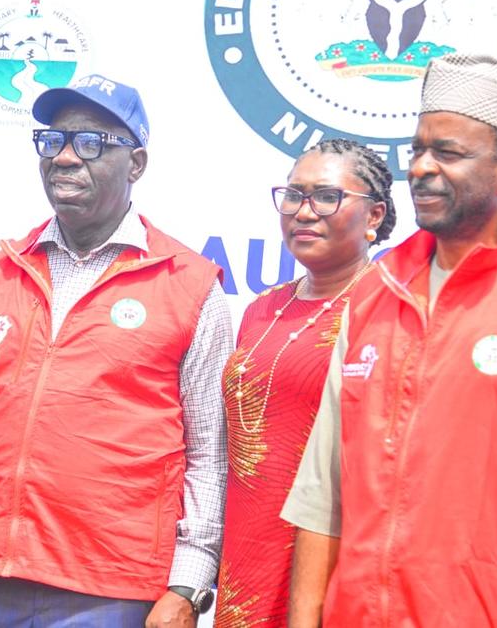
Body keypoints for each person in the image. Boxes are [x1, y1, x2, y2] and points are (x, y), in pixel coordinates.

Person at [281, 53, 497, 626]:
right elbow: (322, 492)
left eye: (449, 153)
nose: (420, 168)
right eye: (416, 150)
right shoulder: (373, 294)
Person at [0, 74, 232, 627]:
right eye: (53, 141)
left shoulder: (188, 282)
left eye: (90, 143)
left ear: (136, 163)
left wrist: (189, 583)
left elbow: (209, 450)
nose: (65, 158)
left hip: (116, 590)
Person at [214, 139, 396, 627]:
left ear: (374, 215)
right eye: (293, 195)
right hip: (244, 563)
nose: (304, 211)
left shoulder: (387, 312)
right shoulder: (261, 308)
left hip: (330, 562)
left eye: (326, 196)